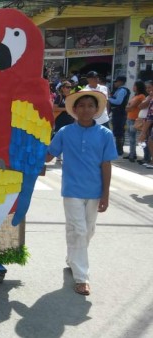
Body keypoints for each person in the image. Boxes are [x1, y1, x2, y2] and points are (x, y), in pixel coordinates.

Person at [46, 91, 117, 296]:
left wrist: (105, 194)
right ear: (74, 110)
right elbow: (49, 155)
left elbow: (106, 164)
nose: (86, 109)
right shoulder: (65, 132)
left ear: (96, 110)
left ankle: (73, 259)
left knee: (87, 230)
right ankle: (81, 277)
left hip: (95, 192)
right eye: (82, 105)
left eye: (90, 106)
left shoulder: (105, 134)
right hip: (72, 190)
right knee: (79, 230)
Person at [124, 80, 147, 162]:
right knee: (131, 137)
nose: (133, 87)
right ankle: (132, 153)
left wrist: (129, 107)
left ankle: (133, 155)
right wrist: (129, 107)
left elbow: (131, 107)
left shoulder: (141, 96)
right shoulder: (135, 96)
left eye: (135, 85)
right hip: (130, 118)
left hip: (135, 119)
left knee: (133, 138)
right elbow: (127, 107)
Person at [108, 76, 130, 156]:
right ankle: (119, 150)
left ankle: (119, 150)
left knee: (119, 132)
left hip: (119, 113)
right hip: (118, 113)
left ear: (121, 82)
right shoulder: (119, 90)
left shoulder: (122, 90)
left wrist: (108, 99)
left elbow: (118, 102)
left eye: (116, 81)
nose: (115, 83)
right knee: (118, 131)